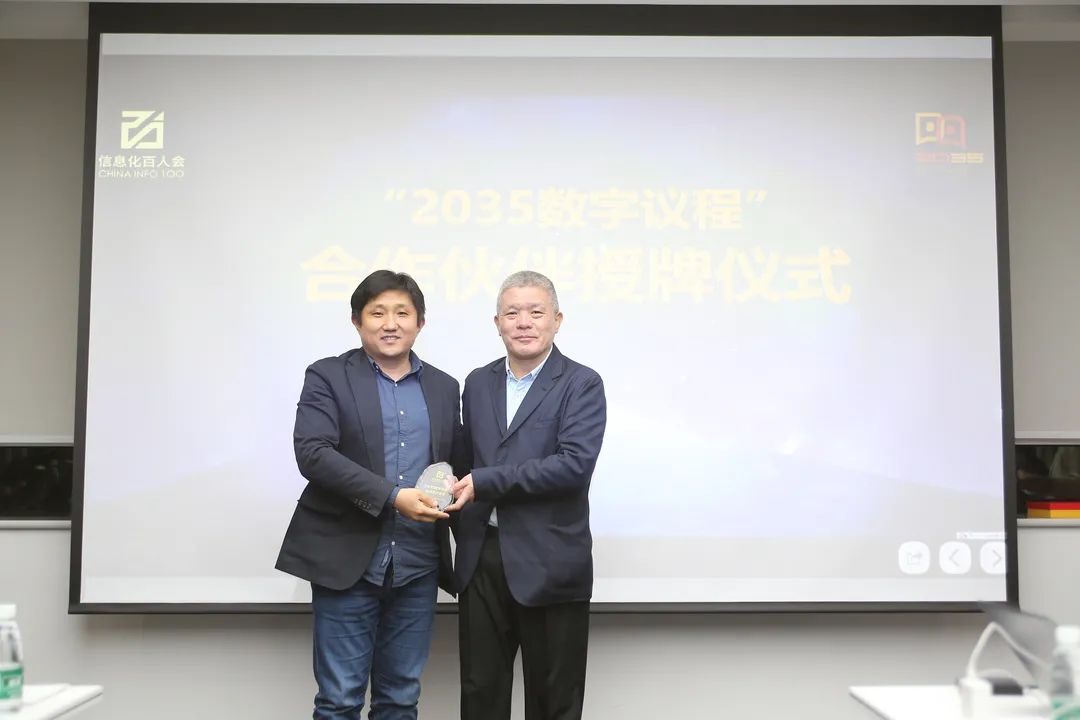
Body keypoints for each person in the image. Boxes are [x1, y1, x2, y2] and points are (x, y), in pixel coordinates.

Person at [276, 269, 462, 720]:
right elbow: (313, 454)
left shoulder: (444, 386)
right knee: (339, 700)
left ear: (420, 322)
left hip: (417, 566)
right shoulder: (328, 376)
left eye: (402, 313)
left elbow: (453, 463)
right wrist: (393, 496)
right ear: (357, 321)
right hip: (347, 564)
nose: (390, 323)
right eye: (377, 313)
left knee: (400, 699)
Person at [446, 270, 607, 720]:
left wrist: (487, 481)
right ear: (496, 322)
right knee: (480, 696)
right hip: (482, 559)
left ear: (557, 320)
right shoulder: (477, 382)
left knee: (553, 702)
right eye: (512, 313)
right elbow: (464, 460)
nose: (524, 322)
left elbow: (573, 466)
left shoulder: (582, 383)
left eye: (536, 312)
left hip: (550, 561)